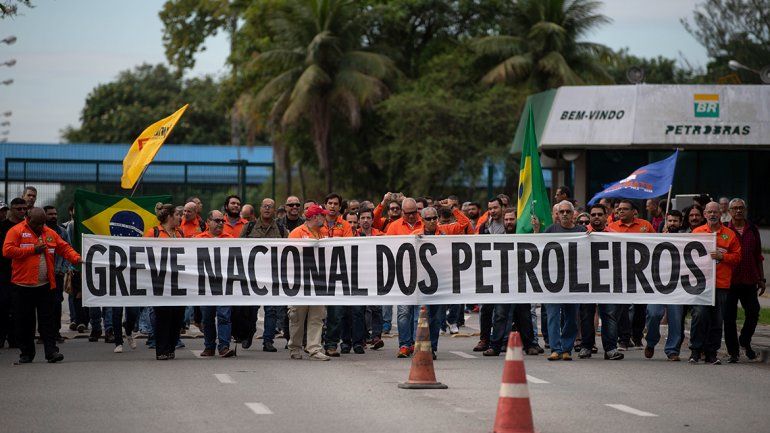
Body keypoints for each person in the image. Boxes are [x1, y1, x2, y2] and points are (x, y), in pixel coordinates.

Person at [3, 207, 81, 364]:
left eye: (42, 223)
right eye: (37, 223)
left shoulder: (49, 233)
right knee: (25, 321)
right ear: (28, 219)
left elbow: (64, 247)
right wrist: (32, 250)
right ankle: (26, 353)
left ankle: (51, 352)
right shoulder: (16, 231)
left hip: (45, 285)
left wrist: (76, 258)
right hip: (22, 286)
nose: (40, 226)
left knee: (48, 321)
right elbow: (7, 251)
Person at [690, 201, 741, 365]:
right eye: (709, 212)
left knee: (717, 320)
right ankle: (695, 351)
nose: (712, 215)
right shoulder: (696, 232)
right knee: (699, 316)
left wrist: (723, 257)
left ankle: (712, 353)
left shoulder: (730, 234)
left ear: (721, 214)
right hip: (700, 285)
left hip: (721, 285)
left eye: (715, 212)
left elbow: (738, 258)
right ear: (704, 214)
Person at [484, 208, 539, 357]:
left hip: (521, 282)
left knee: (524, 315)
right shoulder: (498, 237)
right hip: (504, 283)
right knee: (500, 315)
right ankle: (495, 346)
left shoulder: (524, 236)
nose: (509, 222)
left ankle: (530, 345)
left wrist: (536, 231)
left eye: (512, 219)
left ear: (517, 220)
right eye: (506, 220)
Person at [240, 198, 287, 352]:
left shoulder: (281, 229)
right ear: (260, 209)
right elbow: (238, 248)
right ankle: (248, 333)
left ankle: (268, 340)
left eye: (270, 207)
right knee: (251, 310)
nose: (267, 209)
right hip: (253, 276)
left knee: (271, 309)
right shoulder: (249, 227)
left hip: (273, 275)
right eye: (265, 206)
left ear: (274, 210)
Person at [608, 199, 655, 350]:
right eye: (619, 209)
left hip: (642, 273)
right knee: (622, 307)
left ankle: (637, 336)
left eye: (624, 209)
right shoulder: (612, 227)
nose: (620, 211)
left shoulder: (645, 226)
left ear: (633, 211)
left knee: (640, 308)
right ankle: (624, 338)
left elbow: (657, 243)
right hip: (620, 273)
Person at [579, 203, 624, 360]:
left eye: (599, 214)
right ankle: (586, 346)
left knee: (609, 315)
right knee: (586, 315)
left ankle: (610, 349)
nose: (596, 217)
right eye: (593, 215)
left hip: (608, 281)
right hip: (586, 281)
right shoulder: (581, 235)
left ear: (606, 216)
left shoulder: (615, 235)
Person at [287, 204, 331, 361]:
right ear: (315, 217)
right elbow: (288, 257)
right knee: (297, 318)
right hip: (299, 283)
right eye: (322, 215)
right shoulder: (297, 233)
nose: (325, 218)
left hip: (318, 283)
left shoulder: (324, 233)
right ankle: (294, 348)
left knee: (317, 317)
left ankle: (314, 348)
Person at [543, 200, 585, 361]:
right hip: (554, 282)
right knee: (553, 315)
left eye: (568, 211)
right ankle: (555, 348)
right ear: (558, 214)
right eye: (562, 212)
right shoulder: (550, 230)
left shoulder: (582, 231)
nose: (565, 214)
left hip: (574, 282)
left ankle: (567, 348)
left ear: (573, 214)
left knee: (572, 317)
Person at [724, 198, 764, 362]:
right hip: (729, 281)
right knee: (729, 318)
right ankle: (733, 352)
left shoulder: (752, 229)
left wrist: (761, 278)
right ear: (729, 212)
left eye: (741, 208)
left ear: (745, 210)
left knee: (753, 313)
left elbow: (758, 256)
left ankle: (745, 340)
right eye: (735, 208)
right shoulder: (725, 230)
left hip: (749, 280)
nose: (738, 211)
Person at [146, 203, 186, 361]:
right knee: (163, 316)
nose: (180, 218)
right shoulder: (154, 232)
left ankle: (171, 347)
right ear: (169, 216)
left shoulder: (180, 233)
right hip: (160, 282)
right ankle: (161, 349)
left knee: (178, 316)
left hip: (178, 282)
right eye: (177, 215)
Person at [195, 210, 235, 357]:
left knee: (224, 315)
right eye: (217, 221)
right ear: (208, 222)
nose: (220, 224)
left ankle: (224, 346)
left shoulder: (230, 239)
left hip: (224, 285)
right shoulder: (198, 240)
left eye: (222, 221)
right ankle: (209, 346)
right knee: (207, 317)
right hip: (205, 285)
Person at [320, 193, 356, 356]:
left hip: (338, 274)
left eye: (335, 203)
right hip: (318, 274)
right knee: (315, 312)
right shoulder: (318, 222)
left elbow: (348, 247)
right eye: (330, 203)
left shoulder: (345, 225)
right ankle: (313, 342)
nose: (332, 206)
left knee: (336, 311)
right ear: (325, 205)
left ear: (340, 207)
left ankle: (331, 344)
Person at [473, 197, 506, 353]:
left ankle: (496, 344)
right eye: (490, 208)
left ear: (502, 207)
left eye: (495, 208)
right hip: (488, 273)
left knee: (500, 312)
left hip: (506, 273)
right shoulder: (484, 226)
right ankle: (484, 339)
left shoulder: (509, 224)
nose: (492, 211)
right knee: (485, 309)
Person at [355, 208, 385, 350]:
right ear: (359, 220)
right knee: (360, 308)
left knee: (376, 307)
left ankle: (376, 337)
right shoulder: (353, 235)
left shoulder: (380, 234)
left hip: (376, 274)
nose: (366, 220)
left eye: (368, 218)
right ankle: (361, 337)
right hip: (359, 275)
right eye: (363, 218)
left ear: (373, 220)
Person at [0, 198, 27, 349]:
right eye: (19, 209)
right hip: (4, 271)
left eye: (24, 209)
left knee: (18, 307)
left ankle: (15, 338)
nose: (22, 212)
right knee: (3, 304)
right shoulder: (3, 227)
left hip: (22, 272)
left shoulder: (28, 227)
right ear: (11, 209)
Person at [43, 206, 71, 343]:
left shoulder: (62, 232)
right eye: (50, 214)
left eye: (55, 214)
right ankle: (44, 333)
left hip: (57, 274)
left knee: (56, 303)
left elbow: (67, 250)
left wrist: (63, 269)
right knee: (43, 305)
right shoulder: (39, 231)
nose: (53, 216)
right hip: (42, 275)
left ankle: (55, 332)